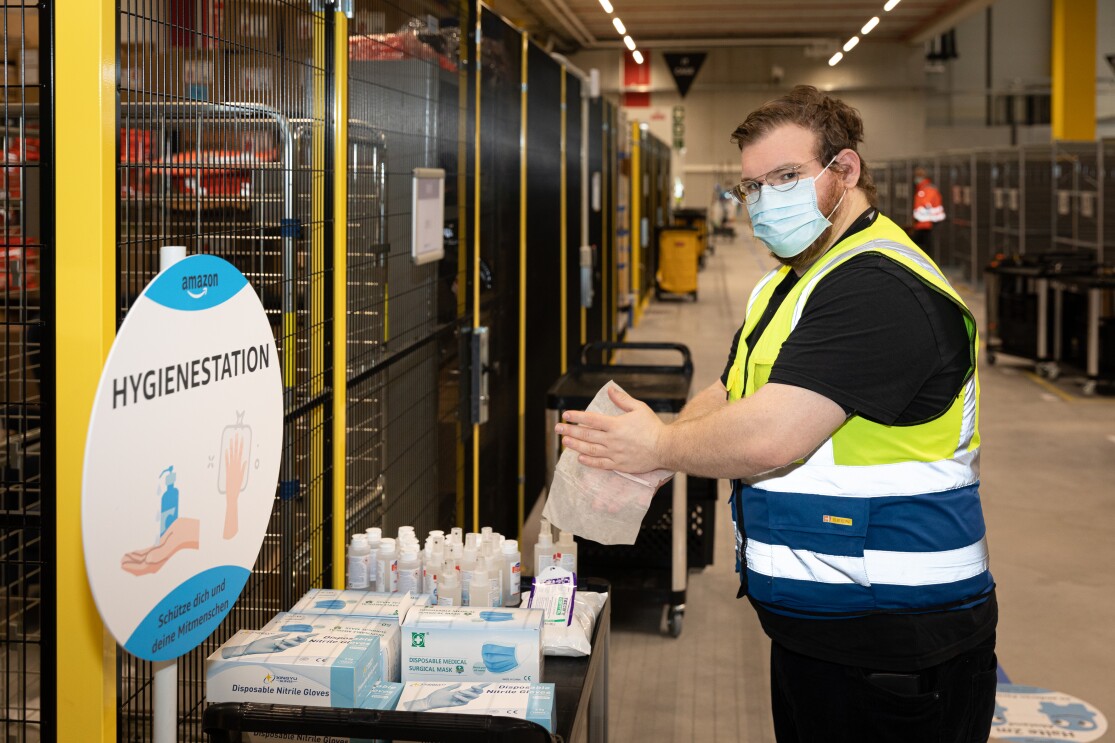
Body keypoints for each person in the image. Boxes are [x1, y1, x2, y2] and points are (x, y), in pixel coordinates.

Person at [554, 85, 996, 743]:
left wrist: (659, 449)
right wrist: (656, 433)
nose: (764, 200)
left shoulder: (878, 286)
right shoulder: (790, 281)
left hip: (897, 641)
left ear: (843, 170)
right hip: (820, 632)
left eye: (785, 177)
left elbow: (773, 436)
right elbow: (736, 392)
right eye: (751, 186)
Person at [911, 166, 946, 254]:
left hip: (927, 226)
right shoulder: (922, 189)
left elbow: (927, 207)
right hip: (922, 225)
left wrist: (919, 215)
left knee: (923, 251)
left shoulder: (928, 190)